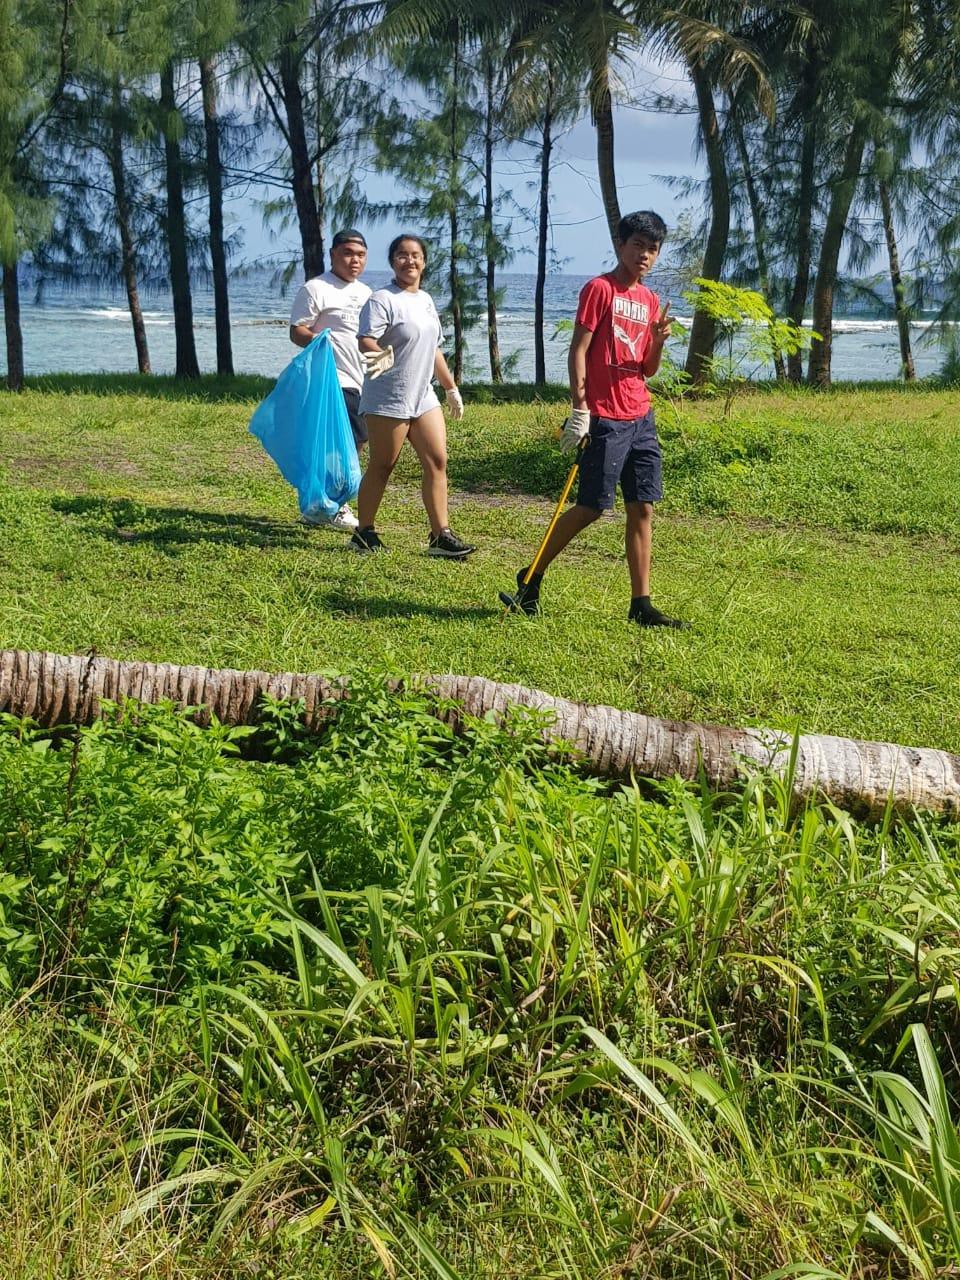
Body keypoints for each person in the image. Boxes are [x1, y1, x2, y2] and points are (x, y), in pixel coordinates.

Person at [503, 210, 687, 628]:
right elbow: (579, 350)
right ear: (620, 245)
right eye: (637, 244)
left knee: (642, 508)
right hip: (605, 416)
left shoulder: (651, 301)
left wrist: (657, 342)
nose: (644, 254)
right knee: (590, 507)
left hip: (641, 414)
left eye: (652, 249)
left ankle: (641, 603)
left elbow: (647, 368)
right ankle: (531, 576)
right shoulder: (600, 290)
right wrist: (580, 410)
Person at [351, 234, 475, 558]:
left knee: (437, 460)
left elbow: (433, 349)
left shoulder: (425, 300)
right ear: (393, 261)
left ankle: (440, 535)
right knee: (382, 465)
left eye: (416, 255)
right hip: (388, 397)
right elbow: (365, 339)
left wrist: (450, 388)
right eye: (402, 255)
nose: (410, 261)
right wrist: (382, 358)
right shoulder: (382, 299)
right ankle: (364, 532)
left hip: (422, 396)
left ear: (424, 261)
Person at [288, 229, 372, 532]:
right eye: (348, 253)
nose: (355, 260)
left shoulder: (366, 293)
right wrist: (318, 341)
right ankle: (336, 506)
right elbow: (297, 330)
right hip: (333, 378)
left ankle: (319, 502)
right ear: (333, 254)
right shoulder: (316, 288)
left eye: (361, 255)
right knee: (344, 443)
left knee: (356, 441)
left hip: (363, 378)